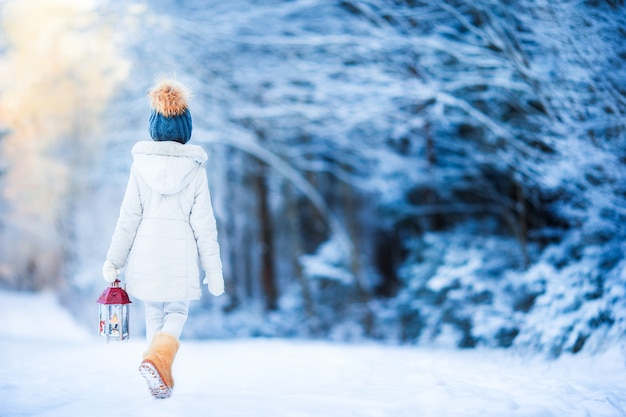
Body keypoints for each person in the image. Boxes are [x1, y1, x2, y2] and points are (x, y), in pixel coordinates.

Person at [102, 78, 225, 399]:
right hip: (179, 257)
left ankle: (159, 375)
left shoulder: (140, 167)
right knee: (177, 313)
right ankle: (157, 362)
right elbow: (204, 226)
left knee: (154, 313)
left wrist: (114, 260)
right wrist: (214, 271)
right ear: (186, 132)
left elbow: (128, 217)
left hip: (144, 255)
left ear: (154, 129)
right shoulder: (196, 170)